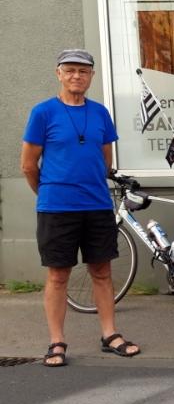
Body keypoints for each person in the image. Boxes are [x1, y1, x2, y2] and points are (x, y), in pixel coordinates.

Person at [21, 49, 141, 367]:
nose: (77, 76)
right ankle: (57, 342)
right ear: (58, 73)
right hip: (57, 208)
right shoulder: (43, 113)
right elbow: (28, 166)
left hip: (97, 205)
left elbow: (105, 161)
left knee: (101, 272)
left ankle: (110, 334)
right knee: (58, 275)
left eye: (83, 71)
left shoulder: (100, 113)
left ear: (91, 76)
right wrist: (48, 192)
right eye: (70, 70)